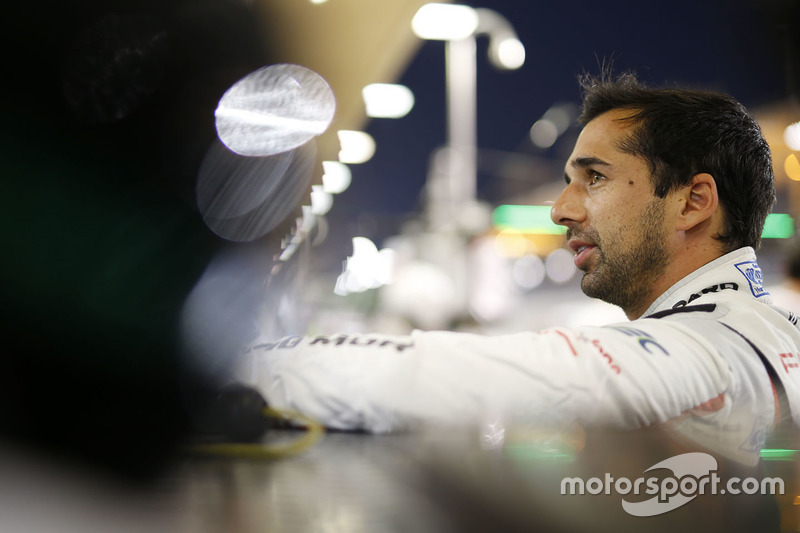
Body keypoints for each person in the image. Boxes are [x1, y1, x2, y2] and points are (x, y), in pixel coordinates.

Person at [243, 73, 800, 466]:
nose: (560, 209)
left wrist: (221, 366)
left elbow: (438, 378)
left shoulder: (705, 350)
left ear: (693, 201)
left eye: (595, 178)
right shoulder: (761, 331)